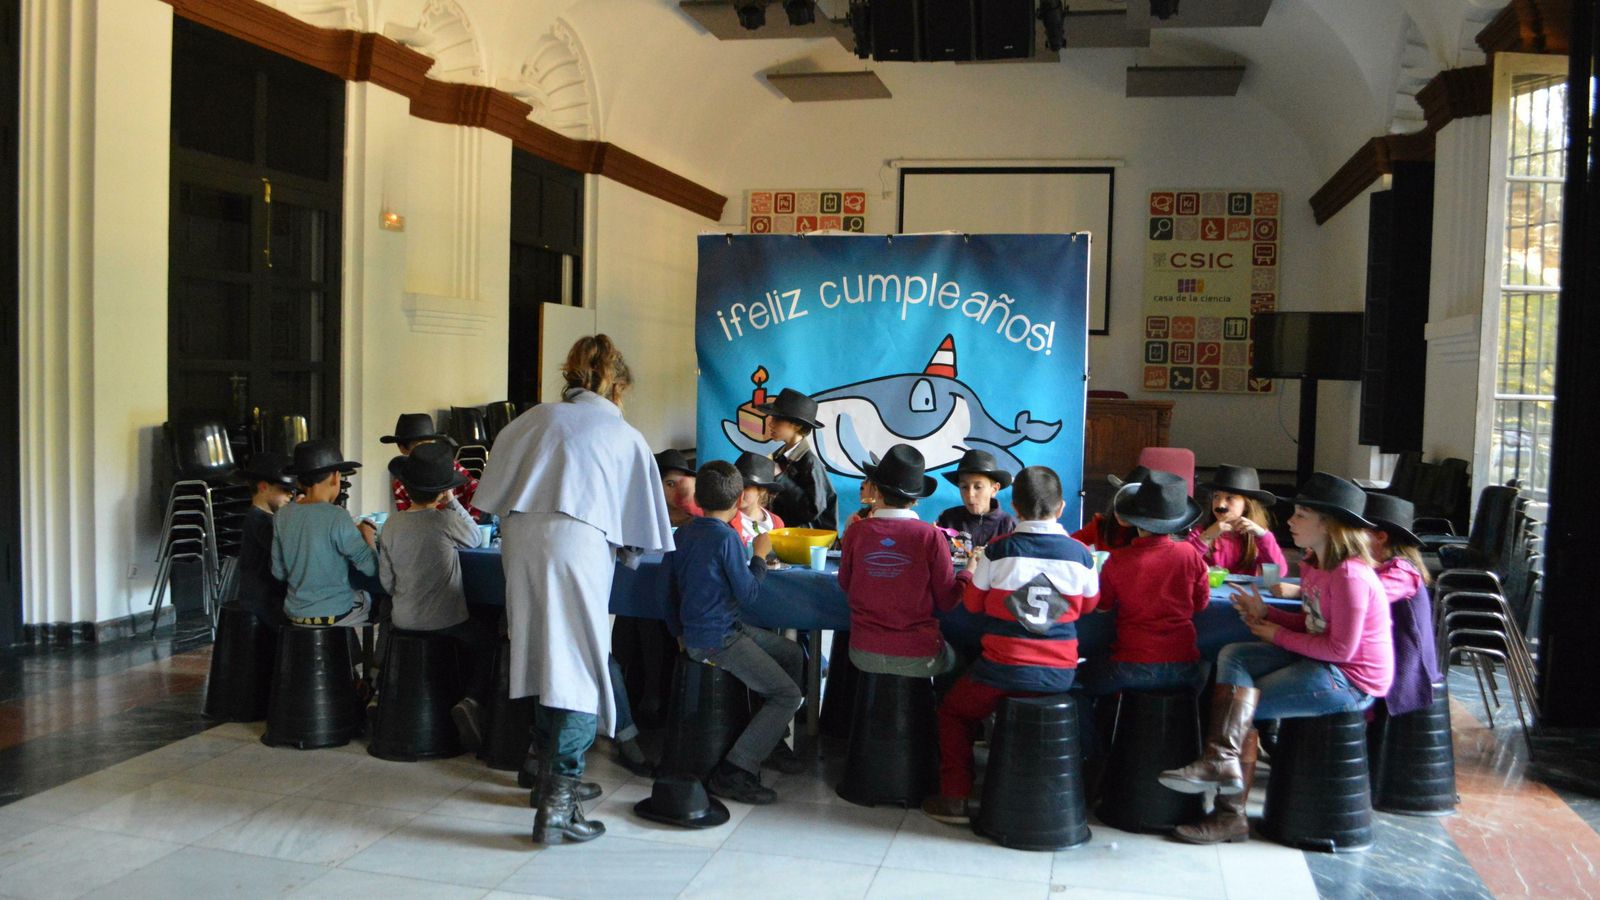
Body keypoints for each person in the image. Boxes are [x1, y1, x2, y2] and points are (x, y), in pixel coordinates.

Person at [473, 334, 674, 846]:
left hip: (521, 539)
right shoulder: (620, 433)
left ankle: (546, 780)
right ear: (619, 385)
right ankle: (557, 808)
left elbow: (491, 495)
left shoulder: (534, 418)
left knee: (543, 657)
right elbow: (640, 531)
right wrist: (626, 552)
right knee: (582, 665)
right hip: (575, 543)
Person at [1161, 472, 1393, 845]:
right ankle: (1221, 767)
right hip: (1323, 662)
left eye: (1300, 515)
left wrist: (1277, 634)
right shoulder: (1318, 565)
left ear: (1328, 525)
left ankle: (1228, 814)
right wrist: (1267, 614)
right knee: (1235, 656)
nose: (1290, 521)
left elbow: (1340, 650)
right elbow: (1312, 621)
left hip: (1350, 679)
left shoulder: (1352, 575)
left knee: (1238, 706)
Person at [923, 466, 1099, 825]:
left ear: (1014, 508)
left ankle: (956, 796)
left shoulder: (999, 551)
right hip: (1059, 675)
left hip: (1000, 672)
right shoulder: (1080, 554)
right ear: (1062, 507)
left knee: (954, 712)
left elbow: (971, 605)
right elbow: (1090, 607)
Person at [667, 461, 806, 804]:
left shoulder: (682, 534)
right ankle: (735, 771)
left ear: (697, 498)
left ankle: (768, 739)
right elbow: (748, 594)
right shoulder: (727, 538)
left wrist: (677, 632)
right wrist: (759, 556)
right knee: (787, 695)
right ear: (739, 499)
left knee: (790, 653)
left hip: (709, 632)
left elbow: (665, 590)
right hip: (719, 639)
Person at [1077, 471, 1209, 759]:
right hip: (1186, 668)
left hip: (1131, 665)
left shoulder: (1118, 561)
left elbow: (1103, 607)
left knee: (1075, 686)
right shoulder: (1190, 555)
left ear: (1136, 521)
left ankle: (1095, 762)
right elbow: (1200, 604)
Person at [377, 441, 498, 749]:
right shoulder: (444, 520)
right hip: (446, 622)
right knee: (488, 642)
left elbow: (387, 583)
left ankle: (382, 694)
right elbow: (473, 539)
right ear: (443, 489)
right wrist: (453, 502)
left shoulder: (391, 525)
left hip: (402, 621)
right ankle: (471, 700)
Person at [838, 444, 972, 678]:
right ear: (916, 499)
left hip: (861, 651)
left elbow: (845, 584)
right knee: (964, 661)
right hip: (920, 654)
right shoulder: (929, 536)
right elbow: (948, 601)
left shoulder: (856, 532)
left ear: (877, 492)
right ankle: (935, 714)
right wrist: (967, 573)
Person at [272, 440, 379, 629]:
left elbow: (278, 573)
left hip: (295, 616)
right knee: (375, 600)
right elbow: (371, 568)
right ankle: (359, 657)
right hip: (334, 615)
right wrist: (367, 535)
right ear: (335, 477)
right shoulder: (337, 516)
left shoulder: (282, 515)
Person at [1362, 492, 1440, 718]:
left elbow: (1364, 599)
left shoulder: (1402, 572)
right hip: (1385, 660)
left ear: (1380, 537)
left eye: (1359, 532)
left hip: (1407, 670)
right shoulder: (1378, 567)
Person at [760, 387, 838, 531]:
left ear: (797, 425)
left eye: (777, 419)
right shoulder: (778, 457)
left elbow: (812, 510)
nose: (771, 424)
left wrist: (780, 476)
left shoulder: (809, 462)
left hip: (803, 544)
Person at [1187, 464, 1288, 576]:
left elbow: (1279, 573)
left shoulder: (1256, 539)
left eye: (1230, 498)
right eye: (1216, 496)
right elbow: (1182, 564)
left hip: (1244, 592)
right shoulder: (1200, 532)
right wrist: (1206, 537)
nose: (1220, 504)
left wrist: (1263, 536)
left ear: (1247, 505)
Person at [231, 452, 295, 628]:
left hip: (267, 597)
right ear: (264, 487)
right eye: (285, 490)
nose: (290, 496)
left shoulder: (267, 518)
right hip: (262, 601)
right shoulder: (258, 519)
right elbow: (279, 549)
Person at [382, 413, 481, 518]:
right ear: (403, 449)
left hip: (461, 529)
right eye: (419, 446)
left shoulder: (454, 469)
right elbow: (409, 522)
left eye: (430, 444)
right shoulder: (401, 485)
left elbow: (477, 495)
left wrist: (473, 520)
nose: (427, 450)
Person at [935, 448, 1018, 549]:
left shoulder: (1008, 525)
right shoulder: (947, 519)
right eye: (964, 487)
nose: (970, 494)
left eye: (978, 487)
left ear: (995, 489)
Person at [1071, 466, 1148, 552]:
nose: (1123, 507)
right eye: (1123, 498)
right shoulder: (1101, 526)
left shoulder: (1154, 539)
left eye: (1134, 504)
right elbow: (1069, 543)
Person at [733, 452, 785, 545]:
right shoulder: (727, 518)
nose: (738, 490)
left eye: (745, 486)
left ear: (762, 491)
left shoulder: (776, 523)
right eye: (735, 485)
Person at [656, 448, 703, 527]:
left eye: (682, 482)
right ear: (657, 484)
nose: (680, 489)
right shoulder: (649, 519)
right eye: (670, 484)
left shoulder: (697, 522)